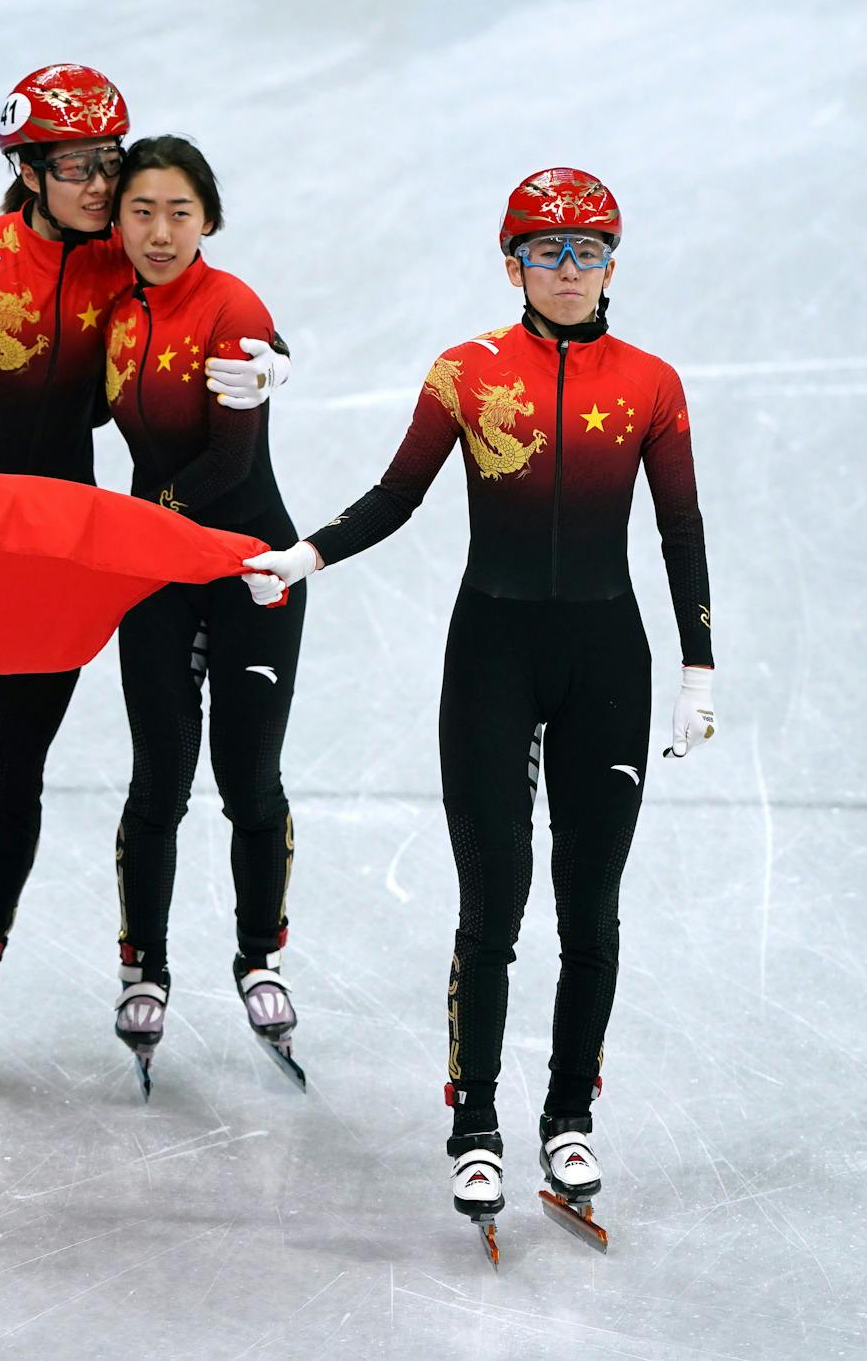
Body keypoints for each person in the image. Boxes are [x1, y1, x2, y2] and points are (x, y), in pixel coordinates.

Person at [243, 168, 716, 1260]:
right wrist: (307, 556)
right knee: (492, 903)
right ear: (512, 265)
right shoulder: (465, 373)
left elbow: (680, 528)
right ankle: (474, 1123)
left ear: (612, 261)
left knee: (589, 909)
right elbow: (396, 494)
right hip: (492, 660)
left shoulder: (650, 384)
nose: (568, 269)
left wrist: (698, 668)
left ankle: (568, 1119)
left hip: (606, 661)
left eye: (588, 250)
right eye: (547, 250)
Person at [0, 65, 291, 1086]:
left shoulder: (117, 264)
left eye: (107, 163)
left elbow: (210, 306)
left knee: (16, 773)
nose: (101, 185)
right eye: (78, 167)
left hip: (54, 554)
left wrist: (276, 359)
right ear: (27, 171)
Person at [98, 136, 303, 1099]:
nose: (159, 231)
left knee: (248, 780)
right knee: (158, 779)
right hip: (158, 570)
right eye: (141, 210)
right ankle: (144, 965)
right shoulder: (111, 307)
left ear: (208, 219)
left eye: (179, 211)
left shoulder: (232, 307)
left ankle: (261, 955)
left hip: (248, 566)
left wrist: (147, 520)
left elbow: (230, 461)